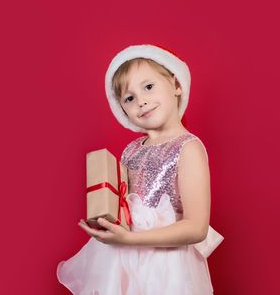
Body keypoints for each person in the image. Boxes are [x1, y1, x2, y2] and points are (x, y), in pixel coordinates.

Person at [56, 44, 215, 294]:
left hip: (165, 266)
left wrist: (129, 240)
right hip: (123, 261)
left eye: (148, 87)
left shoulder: (188, 148)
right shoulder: (131, 150)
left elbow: (196, 227)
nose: (141, 101)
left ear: (176, 85)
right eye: (129, 98)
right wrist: (107, 223)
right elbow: (123, 208)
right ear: (123, 110)